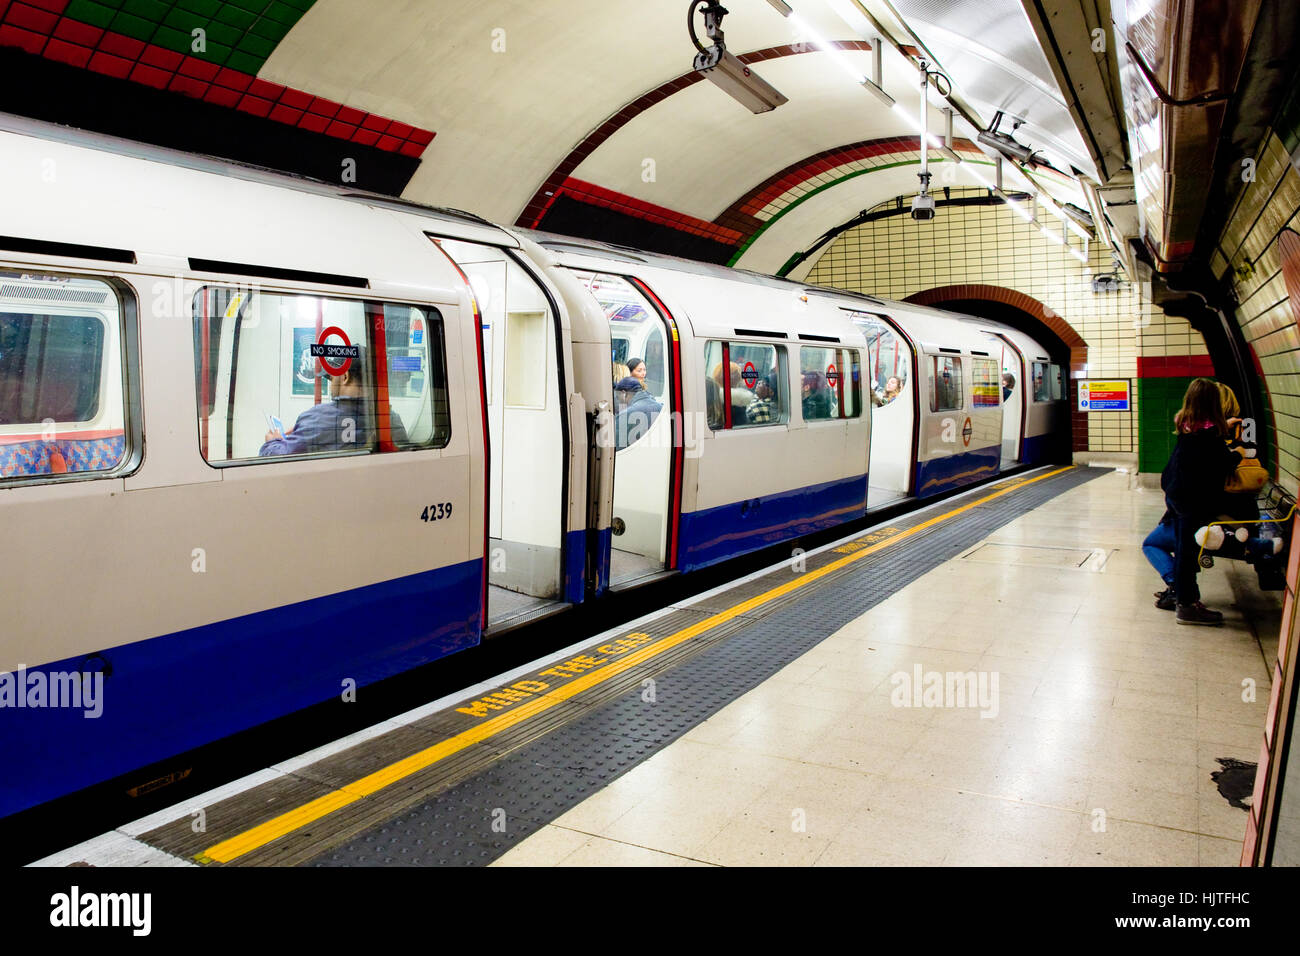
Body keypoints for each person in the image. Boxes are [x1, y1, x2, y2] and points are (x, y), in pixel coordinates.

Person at [1160, 378, 1242, 625]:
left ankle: (1184, 598)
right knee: (1188, 553)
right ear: (1214, 403)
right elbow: (1222, 462)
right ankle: (1186, 605)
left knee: (1185, 549)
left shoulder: (1186, 424)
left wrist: (1222, 427)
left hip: (1176, 494)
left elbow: (1206, 437)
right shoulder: (1208, 436)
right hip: (1193, 500)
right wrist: (1238, 454)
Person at [260, 346, 407, 456]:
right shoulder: (391, 419)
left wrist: (273, 442)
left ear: (344, 376)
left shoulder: (317, 418)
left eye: (332, 377)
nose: (331, 384)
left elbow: (278, 458)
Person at [613, 375, 661, 449]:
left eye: (618, 397)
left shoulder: (625, 415)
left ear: (623, 393)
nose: (619, 402)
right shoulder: (661, 408)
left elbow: (616, 449)